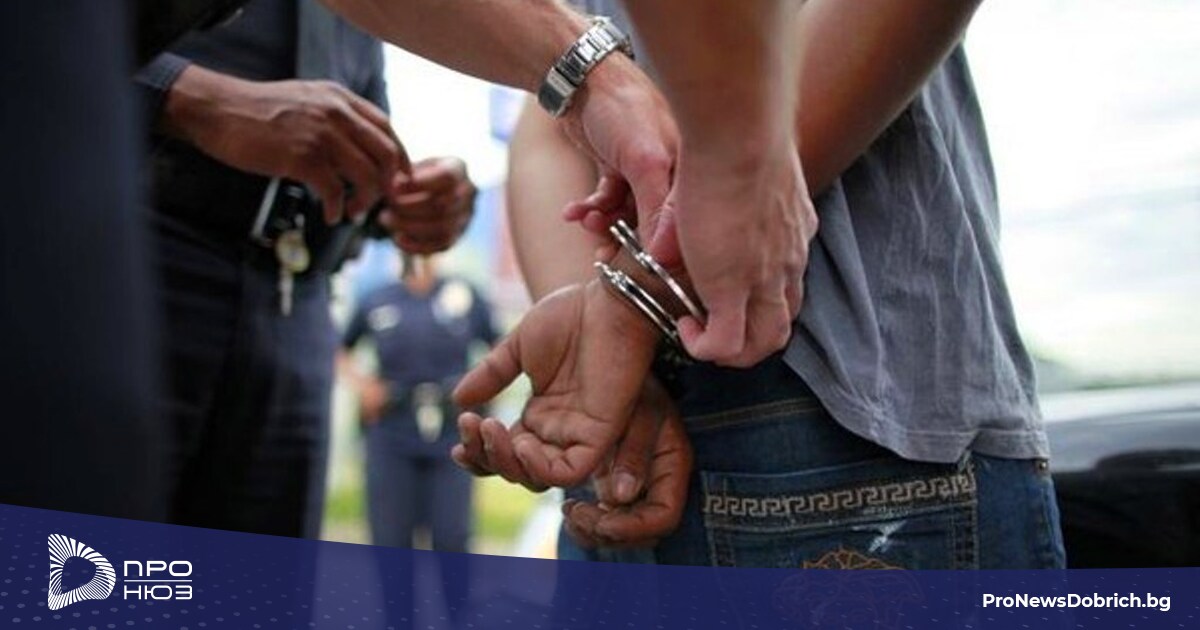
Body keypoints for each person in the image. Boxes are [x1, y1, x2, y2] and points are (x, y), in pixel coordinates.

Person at [461, 0, 1066, 569]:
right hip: (781, 397)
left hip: (839, 407)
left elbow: (550, 112)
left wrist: (618, 312)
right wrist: (608, 341)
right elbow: (551, 110)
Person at [135, 0, 475, 538]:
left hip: (297, 308)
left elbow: (364, 154)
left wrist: (413, 201)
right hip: (143, 269)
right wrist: (191, 99)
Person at [338, 254, 496, 551]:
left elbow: (499, 345)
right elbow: (340, 349)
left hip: (451, 430)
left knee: (452, 536)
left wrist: (483, 386)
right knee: (390, 538)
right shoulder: (378, 299)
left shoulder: (463, 295)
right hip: (392, 426)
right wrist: (365, 386)